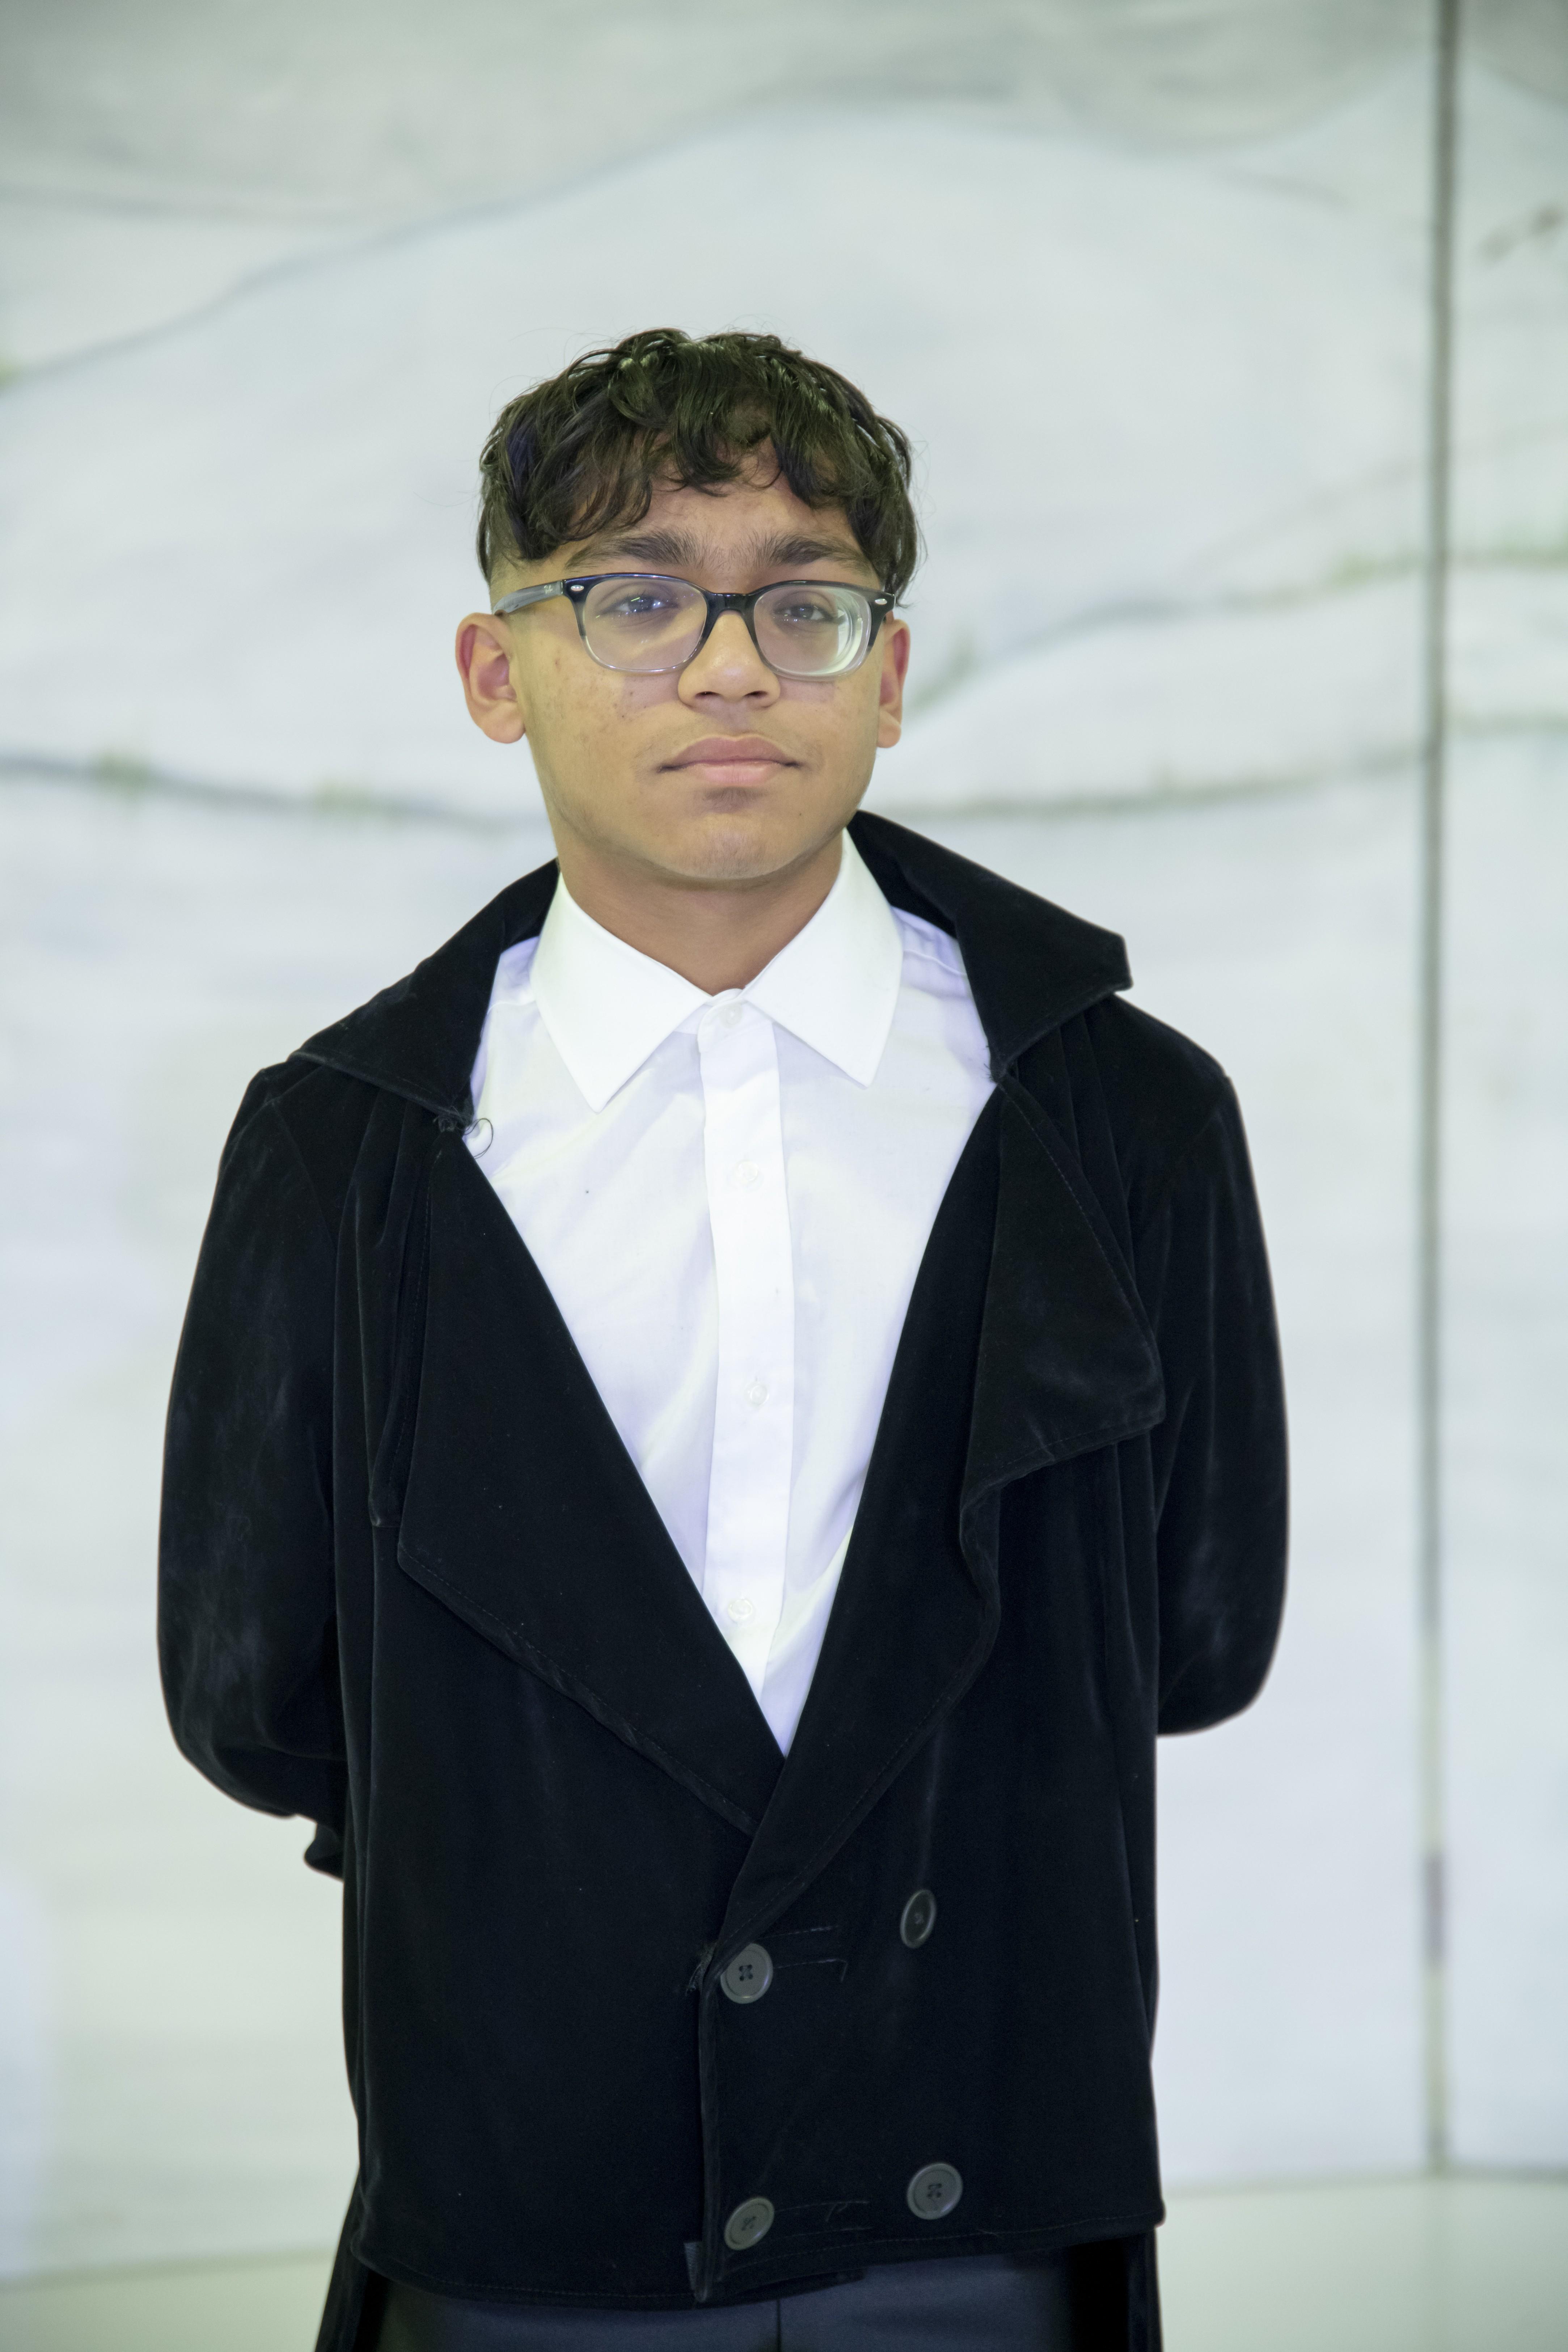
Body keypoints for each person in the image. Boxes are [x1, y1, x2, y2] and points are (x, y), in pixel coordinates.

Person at [158, 327, 1287, 2352]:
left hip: (987, 2183)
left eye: (803, 602)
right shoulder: (343, 1147)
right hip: (528, 2194)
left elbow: (1196, 1631)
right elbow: (256, 1689)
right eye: (637, 596)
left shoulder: (1129, 1114)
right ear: (495, 670)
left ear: (890, 671)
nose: (731, 666)